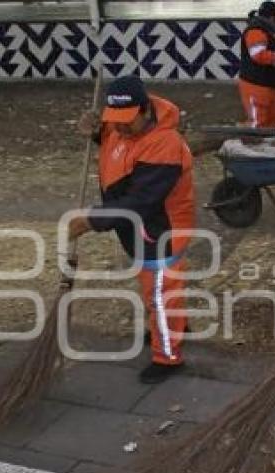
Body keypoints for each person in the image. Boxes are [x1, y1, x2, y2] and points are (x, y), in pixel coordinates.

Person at [71, 76, 194, 384]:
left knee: (160, 294)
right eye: (114, 121)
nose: (120, 128)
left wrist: (92, 221)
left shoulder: (165, 146)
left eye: (127, 121)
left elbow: (139, 201)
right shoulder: (122, 127)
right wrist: (97, 133)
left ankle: (168, 357)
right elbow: (120, 152)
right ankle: (172, 327)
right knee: (158, 290)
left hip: (161, 232)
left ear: (145, 109)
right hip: (141, 233)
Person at [238, 1, 275, 128]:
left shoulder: (268, 31)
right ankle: (253, 146)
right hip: (256, 86)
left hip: (269, 85)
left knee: (274, 122)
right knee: (258, 124)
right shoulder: (256, 31)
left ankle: (270, 146)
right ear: (271, 17)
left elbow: (269, 58)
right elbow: (258, 55)